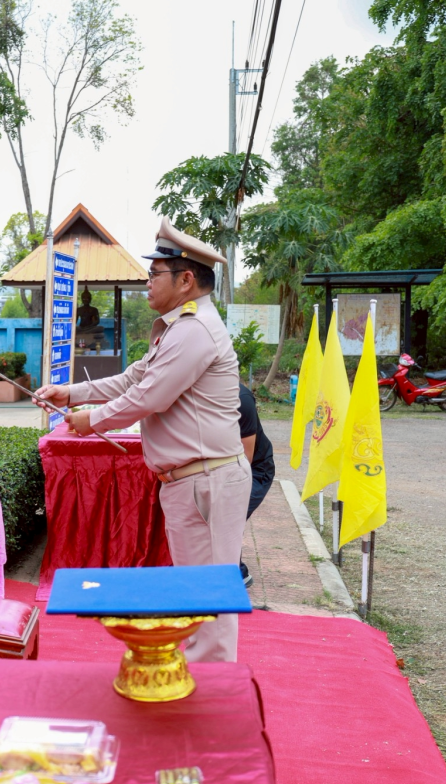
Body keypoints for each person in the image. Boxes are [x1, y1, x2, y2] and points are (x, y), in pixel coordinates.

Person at [34, 217, 250, 663]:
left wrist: (90, 420)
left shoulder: (193, 330)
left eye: (155, 274)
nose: (147, 282)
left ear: (185, 280)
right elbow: (134, 378)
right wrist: (71, 393)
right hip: (193, 481)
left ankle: (212, 686)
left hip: (205, 481)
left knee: (209, 596)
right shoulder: (178, 327)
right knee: (198, 590)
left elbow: (149, 397)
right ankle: (202, 678)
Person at [238, 382, 276, 588]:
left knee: (227, 516)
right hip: (224, 466)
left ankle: (236, 572)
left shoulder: (241, 399)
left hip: (255, 470)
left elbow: (246, 459)